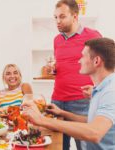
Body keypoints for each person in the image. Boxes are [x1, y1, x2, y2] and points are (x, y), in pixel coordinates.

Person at [22, 37, 115, 150]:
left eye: (83, 56)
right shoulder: (100, 89)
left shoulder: (110, 91)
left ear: (96, 61)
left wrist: (41, 120)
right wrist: (62, 112)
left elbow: (95, 132)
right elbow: (92, 122)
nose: (79, 60)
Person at [50, 0, 102, 149]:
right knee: (58, 146)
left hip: (82, 102)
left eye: (62, 17)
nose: (57, 21)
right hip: (57, 100)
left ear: (75, 16)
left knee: (85, 146)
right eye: (55, 17)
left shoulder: (92, 35)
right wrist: (54, 69)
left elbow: (107, 64)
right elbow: (63, 65)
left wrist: (98, 90)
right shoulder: (57, 40)